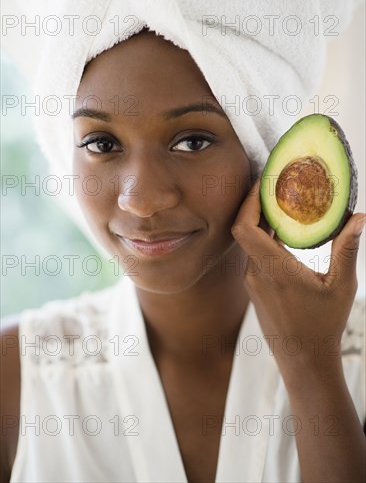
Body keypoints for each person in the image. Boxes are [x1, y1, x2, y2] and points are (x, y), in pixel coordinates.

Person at [1, 26, 365, 482]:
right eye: (101, 144)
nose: (142, 198)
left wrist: (313, 367)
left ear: (264, 152)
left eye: (192, 141)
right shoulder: (14, 375)